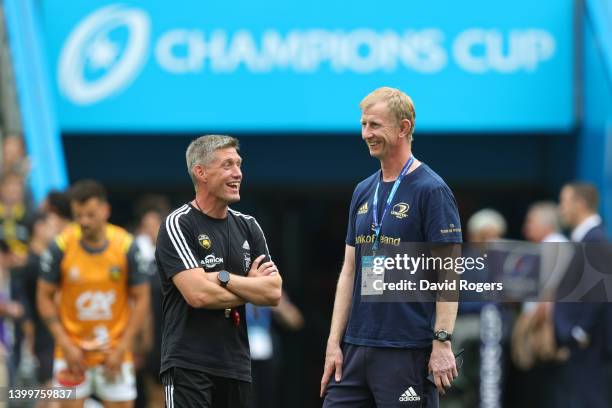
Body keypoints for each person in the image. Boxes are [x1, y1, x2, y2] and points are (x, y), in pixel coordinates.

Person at [321, 87, 462, 407]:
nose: (366, 134)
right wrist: (334, 342)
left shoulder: (432, 190)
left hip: (406, 351)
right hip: (355, 349)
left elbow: (449, 275)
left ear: (404, 128)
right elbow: (350, 271)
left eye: (375, 125)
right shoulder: (363, 190)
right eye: (363, 125)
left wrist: (442, 342)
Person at [155, 135, 282, 408]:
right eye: (227, 165)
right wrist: (250, 287)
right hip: (188, 364)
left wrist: (222, 278)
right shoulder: (177, 224)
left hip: (236, 365)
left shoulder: (249, 225)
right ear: (200, 172)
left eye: (239, 164)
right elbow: (198, 295)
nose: (238, 173)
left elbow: (273, 292)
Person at [37, 180, 151, 407]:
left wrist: (123, 347)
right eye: (79, 215)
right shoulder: (60, 246)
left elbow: (141, 298)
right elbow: (43, 296)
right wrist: (64, 343)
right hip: (71, 354)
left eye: (90, 215)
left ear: (105, 210)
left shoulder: (126, 246)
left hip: (115, 352)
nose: (84, 222)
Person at [553, 182, 611, 408]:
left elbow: (600, 291)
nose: (561, 209)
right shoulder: (586, 239)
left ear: (581, 204)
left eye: (564, 202)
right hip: (584, 345)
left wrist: (579, 332)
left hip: (590, 346)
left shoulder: (595, 240)